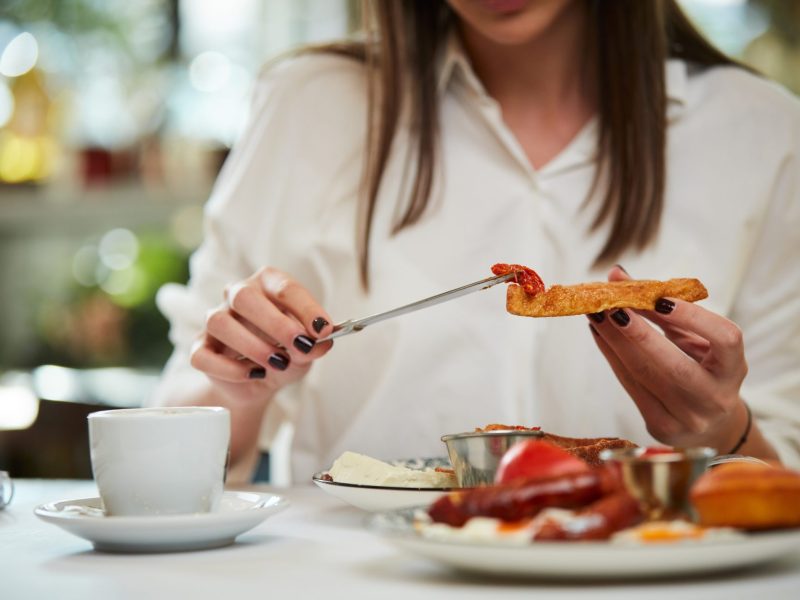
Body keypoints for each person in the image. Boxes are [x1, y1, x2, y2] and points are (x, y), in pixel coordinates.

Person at [150, 0, 800, 483]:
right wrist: (238, 389)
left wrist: (721, 430)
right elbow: (171, 444)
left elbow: (786, 483)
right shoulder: (308, 105)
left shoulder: (762, 132)